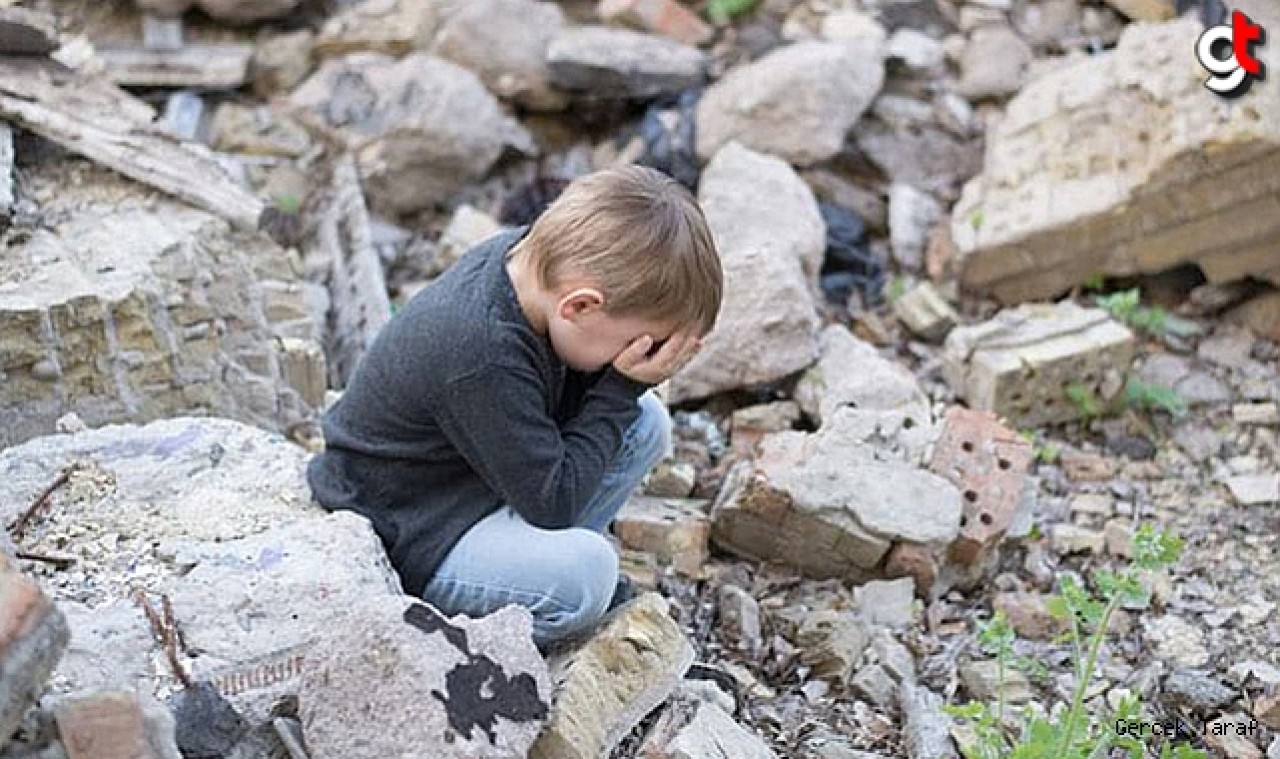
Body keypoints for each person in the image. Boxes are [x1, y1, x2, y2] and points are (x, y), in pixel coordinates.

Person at [306, 165, 724, 646]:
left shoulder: (533, 266)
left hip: (468, 482)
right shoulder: (480, 349)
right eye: (635, 343)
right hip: (407, 529)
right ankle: (476, 631)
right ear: (580, 306)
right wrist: (620, 387)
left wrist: (623, 387)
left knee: (645, 424)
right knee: (586, 576)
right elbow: (554, 503)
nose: (638, 357)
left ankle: (531, 560)